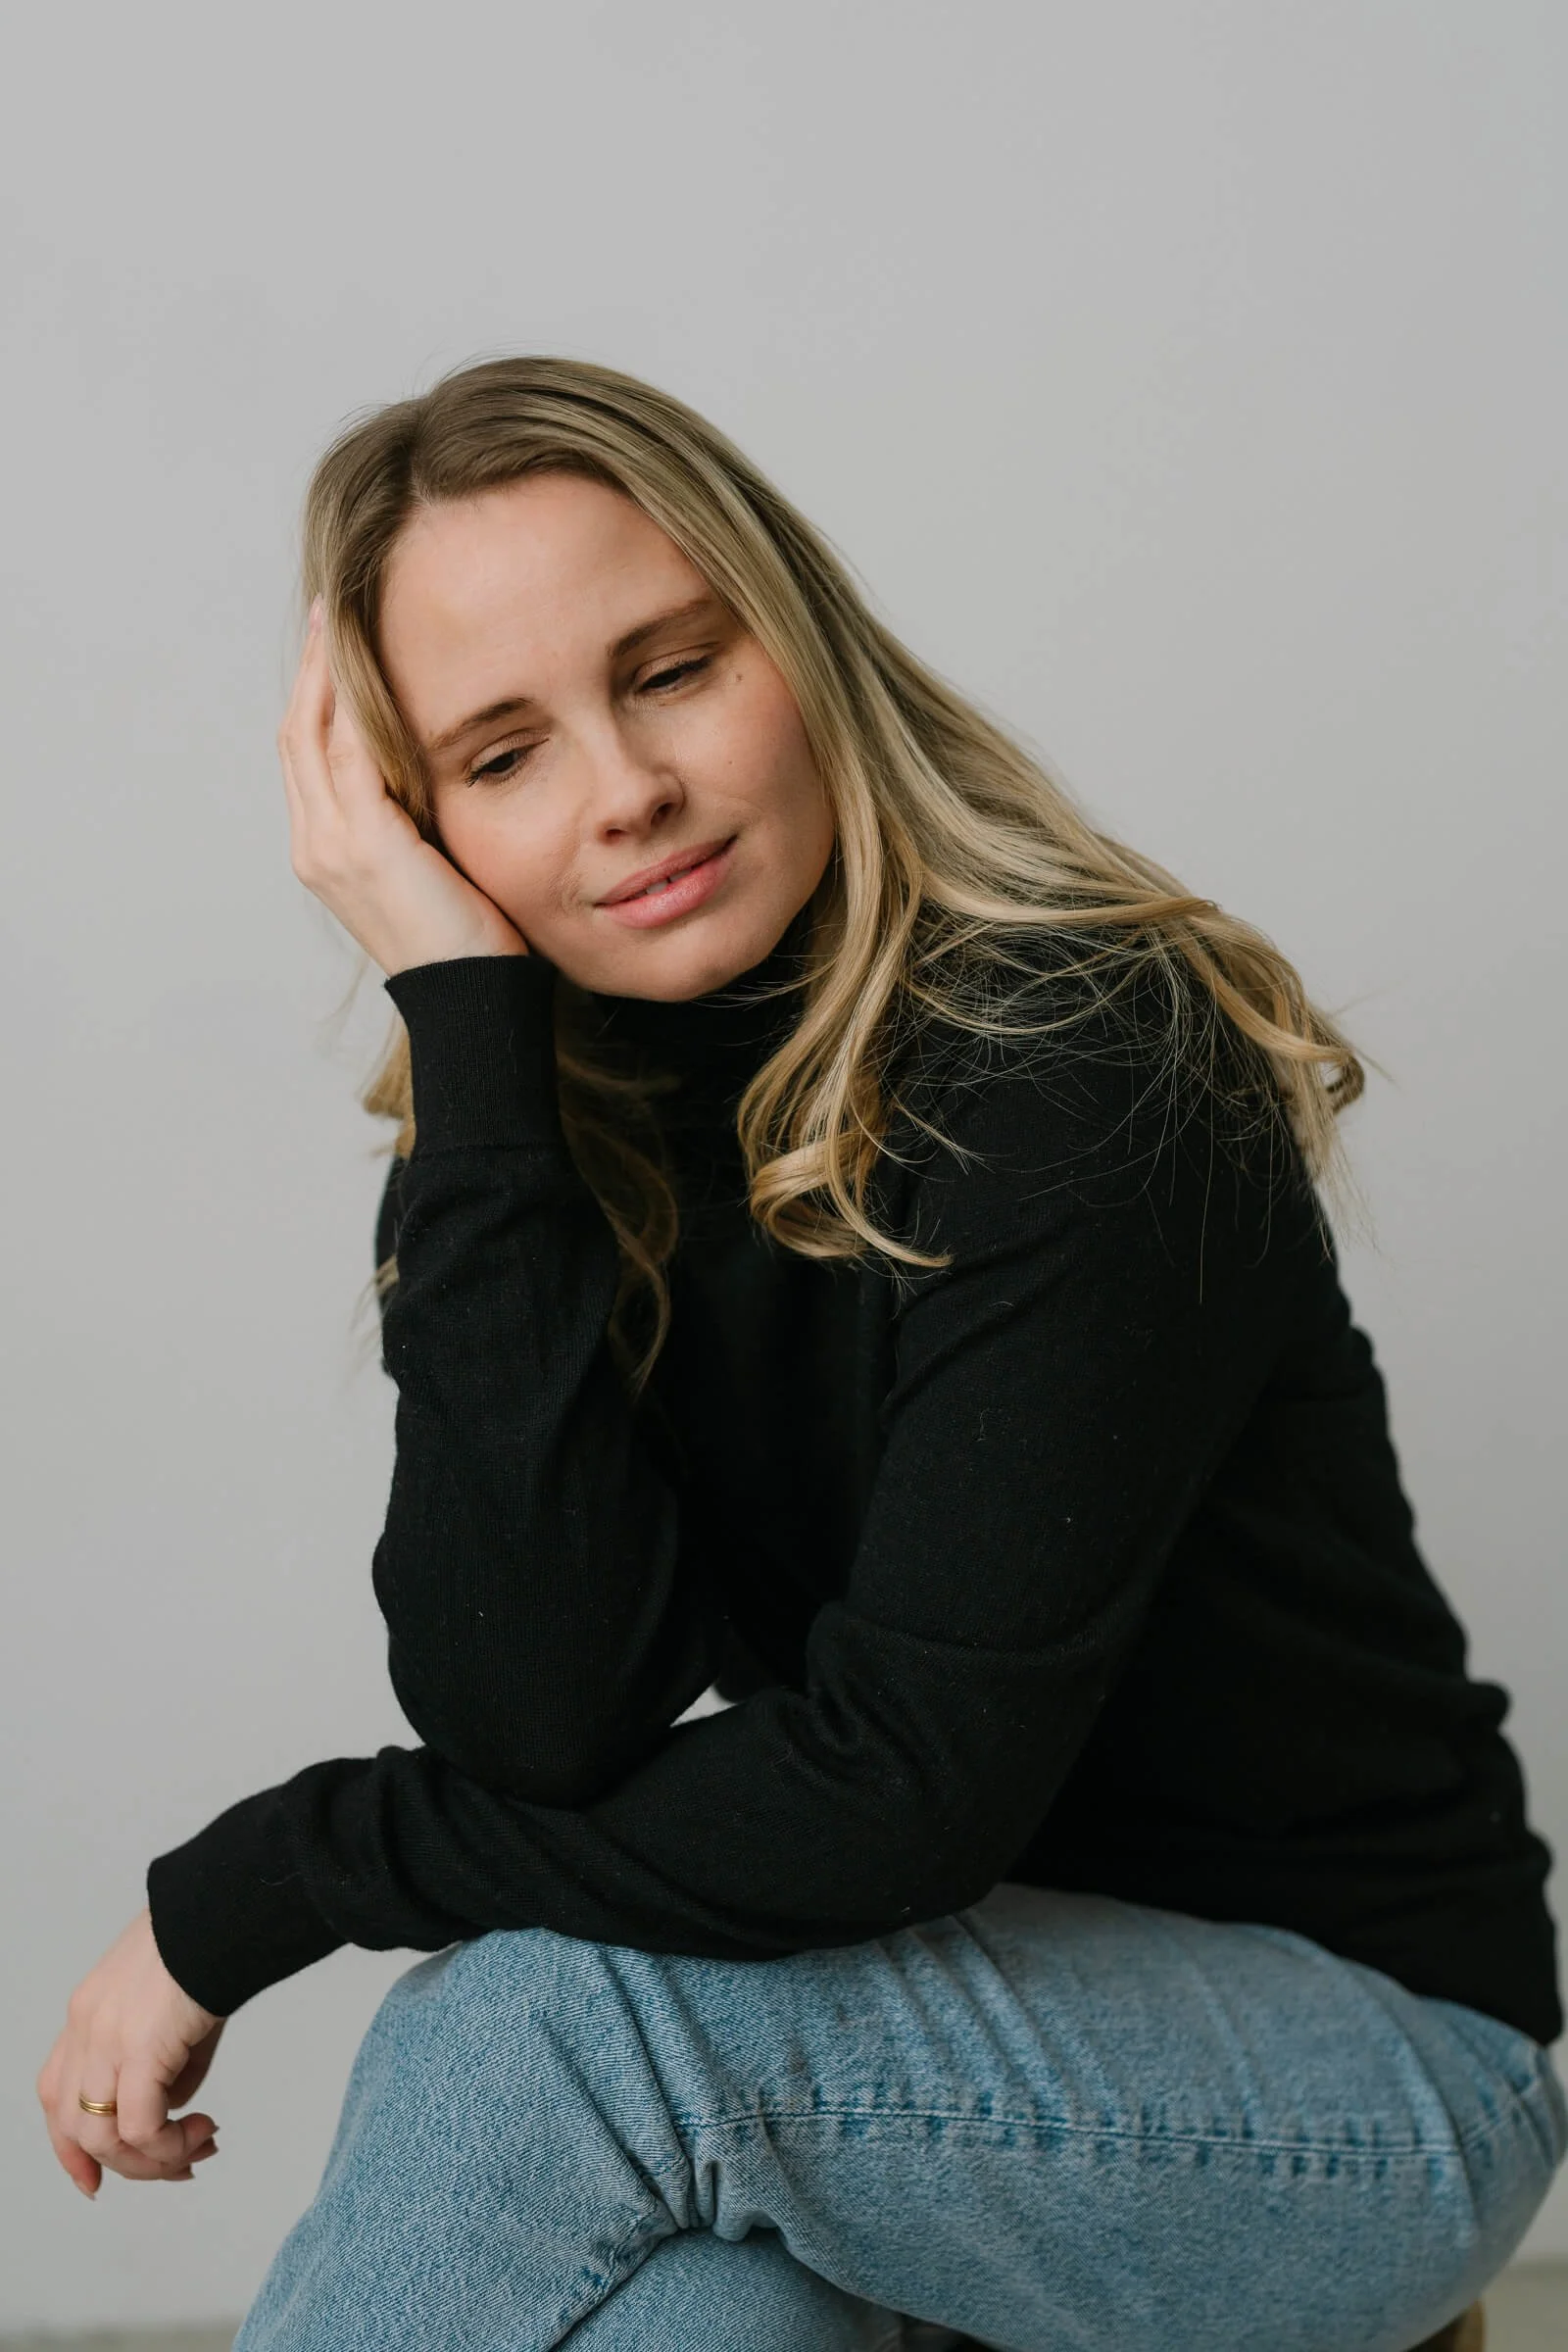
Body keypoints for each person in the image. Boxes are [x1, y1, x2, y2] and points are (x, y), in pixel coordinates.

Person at [36, 356, 1564, 2352]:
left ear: (802, 648)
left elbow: (892, 1795)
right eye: (497, 756)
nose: (620, 790)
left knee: (551, 2019)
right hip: (895, 2070)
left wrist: (276, 1873)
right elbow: (538, 1727)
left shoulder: (1079, 1056)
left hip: (1354, 2083)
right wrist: (473, 1053)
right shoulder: (547, 1131)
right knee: (686, 2330)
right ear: (411, 827)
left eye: (666, 668)